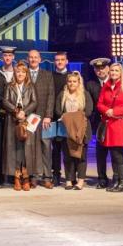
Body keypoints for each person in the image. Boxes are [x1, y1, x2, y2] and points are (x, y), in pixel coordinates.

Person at [97, 62, 123, 192]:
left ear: (121, 73)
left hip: (119, 124)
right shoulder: (106, 87)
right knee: (112, 154)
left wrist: (114, 112)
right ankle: (116, 181)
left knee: (118, 154)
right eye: (112, 71)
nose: (113, 73)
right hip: (108, 124)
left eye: (116, 71)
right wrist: (107, 110)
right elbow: (99, 103)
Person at [3, 64, 39, 190]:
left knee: (26, 151)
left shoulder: (30, 86)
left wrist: (25, 112)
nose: (20, 74)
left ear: (26, 74)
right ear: (15, 73)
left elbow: (35, 101)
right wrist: (15, 111)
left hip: (27, 121)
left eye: (23, 72)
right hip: (12, 121)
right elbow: (5, 101)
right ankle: (16, 177)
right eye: (18, 72)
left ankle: (26, 177)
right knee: (15, 150)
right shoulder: (9, 86)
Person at [25, 49, 56, 188]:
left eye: (35, 57)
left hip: (44, 118)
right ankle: (34, 176)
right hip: (29, 118)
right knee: (31, 147)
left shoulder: (47, 75)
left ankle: (47, 176)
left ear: (40, 59)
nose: (33, 59)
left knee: (46, 147)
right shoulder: (23, 74)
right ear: (28, 59)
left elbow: (51, 96)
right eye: (31, 57)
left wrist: (48, 116)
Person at [58, 71, 90, 189]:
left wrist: (73, 118)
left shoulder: (84, 94)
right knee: (67, 156)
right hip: (66, 130)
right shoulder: (62, 95)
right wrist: (69, 118)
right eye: (70, 81)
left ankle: (80, 181)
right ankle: (69, 180)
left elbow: (89, 110)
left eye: (74, 81)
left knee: (81, 156)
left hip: (82, 130)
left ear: (78, 82)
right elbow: (58, 110)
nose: (72, 83)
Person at [84, 58, 109, 187]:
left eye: (103, 68)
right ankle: (102, 178)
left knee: (117, 153)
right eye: (97, 69)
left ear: (108, 68)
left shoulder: (114, 82)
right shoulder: (90, 84)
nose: (100, 71)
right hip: (99, 123)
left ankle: (118, 177)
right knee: (100, 153)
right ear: (94, 70)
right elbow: (89, 105)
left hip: (114, 122)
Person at [0, 47, 15, 185]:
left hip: (15, 115)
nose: (7, 58)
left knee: (14, 146)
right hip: (1, 115)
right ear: (2, 57)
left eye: (9, 55)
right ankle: (0, 175)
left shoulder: (18, 72)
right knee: (0, 146)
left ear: (13, 57)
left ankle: (14, 175)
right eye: (5, 55)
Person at [49, 51, 71, 185]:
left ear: (66, 61)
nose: (60, 62)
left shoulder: (72, 76)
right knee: (55, 148)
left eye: (62, 60)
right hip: (52, 118)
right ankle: (55, 174)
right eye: (57, 60)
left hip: (68, 118)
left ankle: (70, 175)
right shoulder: (50, 76)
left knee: (68, 148)